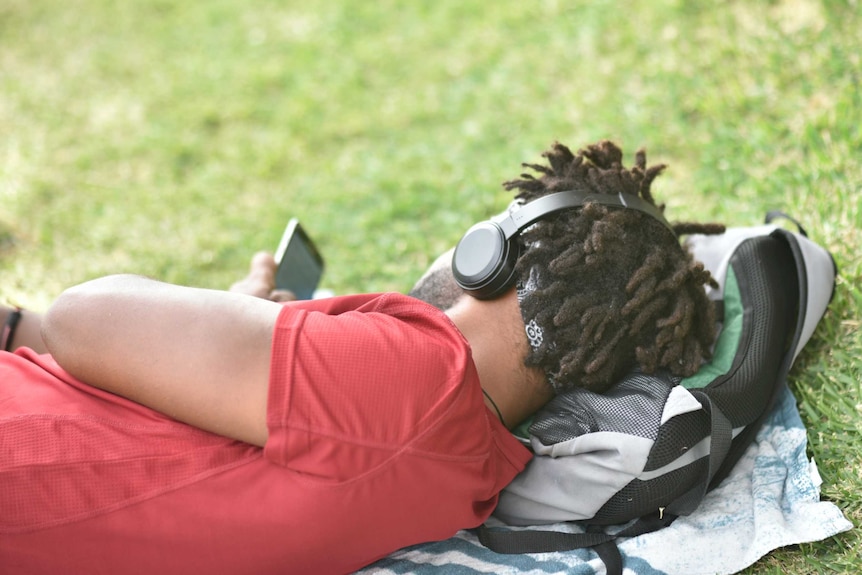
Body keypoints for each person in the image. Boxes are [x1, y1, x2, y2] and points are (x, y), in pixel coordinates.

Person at [0, 140, 721, 575]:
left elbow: (80, 317)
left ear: (498, 254)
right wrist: (238, 327)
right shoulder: (469, 467)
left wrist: (229, 319)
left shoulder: (416, 376)